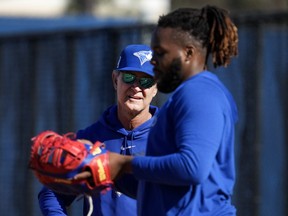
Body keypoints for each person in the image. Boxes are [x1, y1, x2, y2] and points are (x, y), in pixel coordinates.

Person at [76, 5, 239, 216]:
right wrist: (102, 171)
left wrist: (124, 163)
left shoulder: (200, 94)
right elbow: (164, 186)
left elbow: (192, 167)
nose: (153, 62)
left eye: (160, 53)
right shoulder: (188, 95)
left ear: (188, 53)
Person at [38, 44, 158, 216]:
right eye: (129, 77)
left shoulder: (167, 137)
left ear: (156, 88)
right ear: (115, 80)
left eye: (146, 81)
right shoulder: (90, 139)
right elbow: (51, 191)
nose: (136, 87)